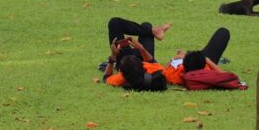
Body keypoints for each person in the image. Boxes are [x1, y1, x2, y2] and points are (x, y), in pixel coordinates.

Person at [102, 18, 245, 90]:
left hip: (124, 57)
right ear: (142, 66)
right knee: (223, 32)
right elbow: (225, 76)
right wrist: (200, 58)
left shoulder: (126, 74)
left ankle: (152, 31)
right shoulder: (155, 70)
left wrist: (113, 58)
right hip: (197, 61)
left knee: (123, 23)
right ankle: (153, 31)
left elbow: (107, 78)